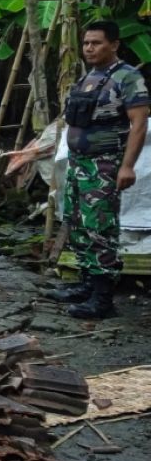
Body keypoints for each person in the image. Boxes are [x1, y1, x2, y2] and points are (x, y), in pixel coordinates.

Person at [46, 20, 148, 318]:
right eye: (86, 43)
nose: (89, 48)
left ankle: (103, 300)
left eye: (97, 43)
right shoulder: (90, 76)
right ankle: (87, 284)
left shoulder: (127, 78)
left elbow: (139, 124)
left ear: (114, 45)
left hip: (104, 164)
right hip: (79, 163)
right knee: (77, 223)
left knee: (99, 228)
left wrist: (127, 166)